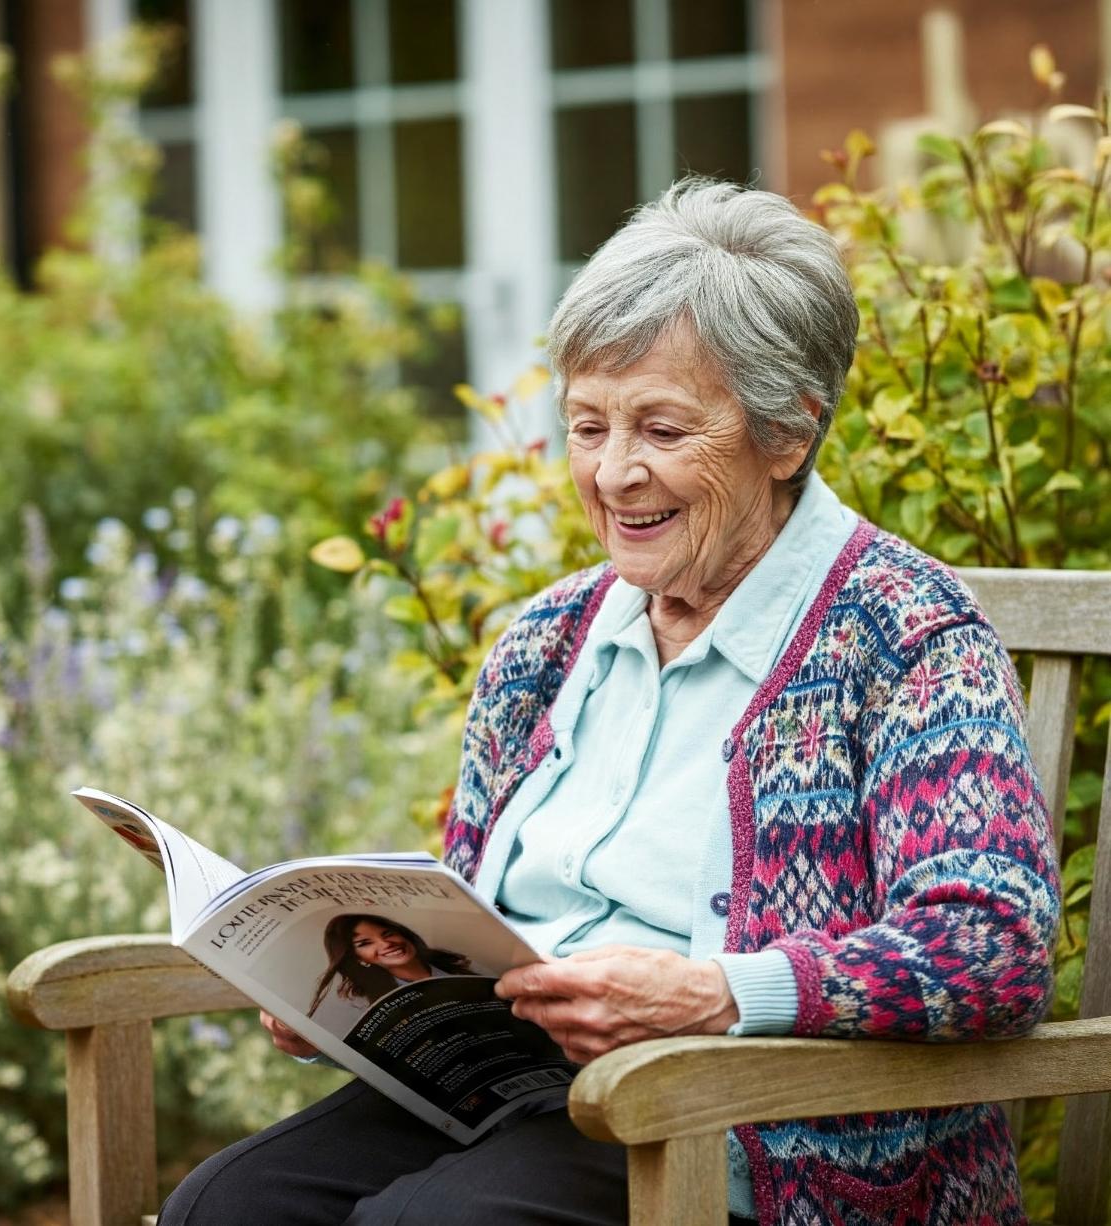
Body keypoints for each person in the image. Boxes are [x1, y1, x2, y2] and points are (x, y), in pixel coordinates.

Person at [159, 178, 1059, 1226]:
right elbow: (475, 903)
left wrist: (716, 994)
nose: (615, 472)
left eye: (663, 429)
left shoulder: (902, 635)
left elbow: (989, 944)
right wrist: (364, 1001)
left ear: (786, 432)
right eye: (587, 425)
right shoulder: (544, 640)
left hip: (745, 1131)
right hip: (500, 1090)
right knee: (221, 1206)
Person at [305, 914, 476, 1024]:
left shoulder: (458, 965)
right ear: (358, 958)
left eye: (387, 934)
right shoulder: (377, 1008)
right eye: (365, 943)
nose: (386, 944)